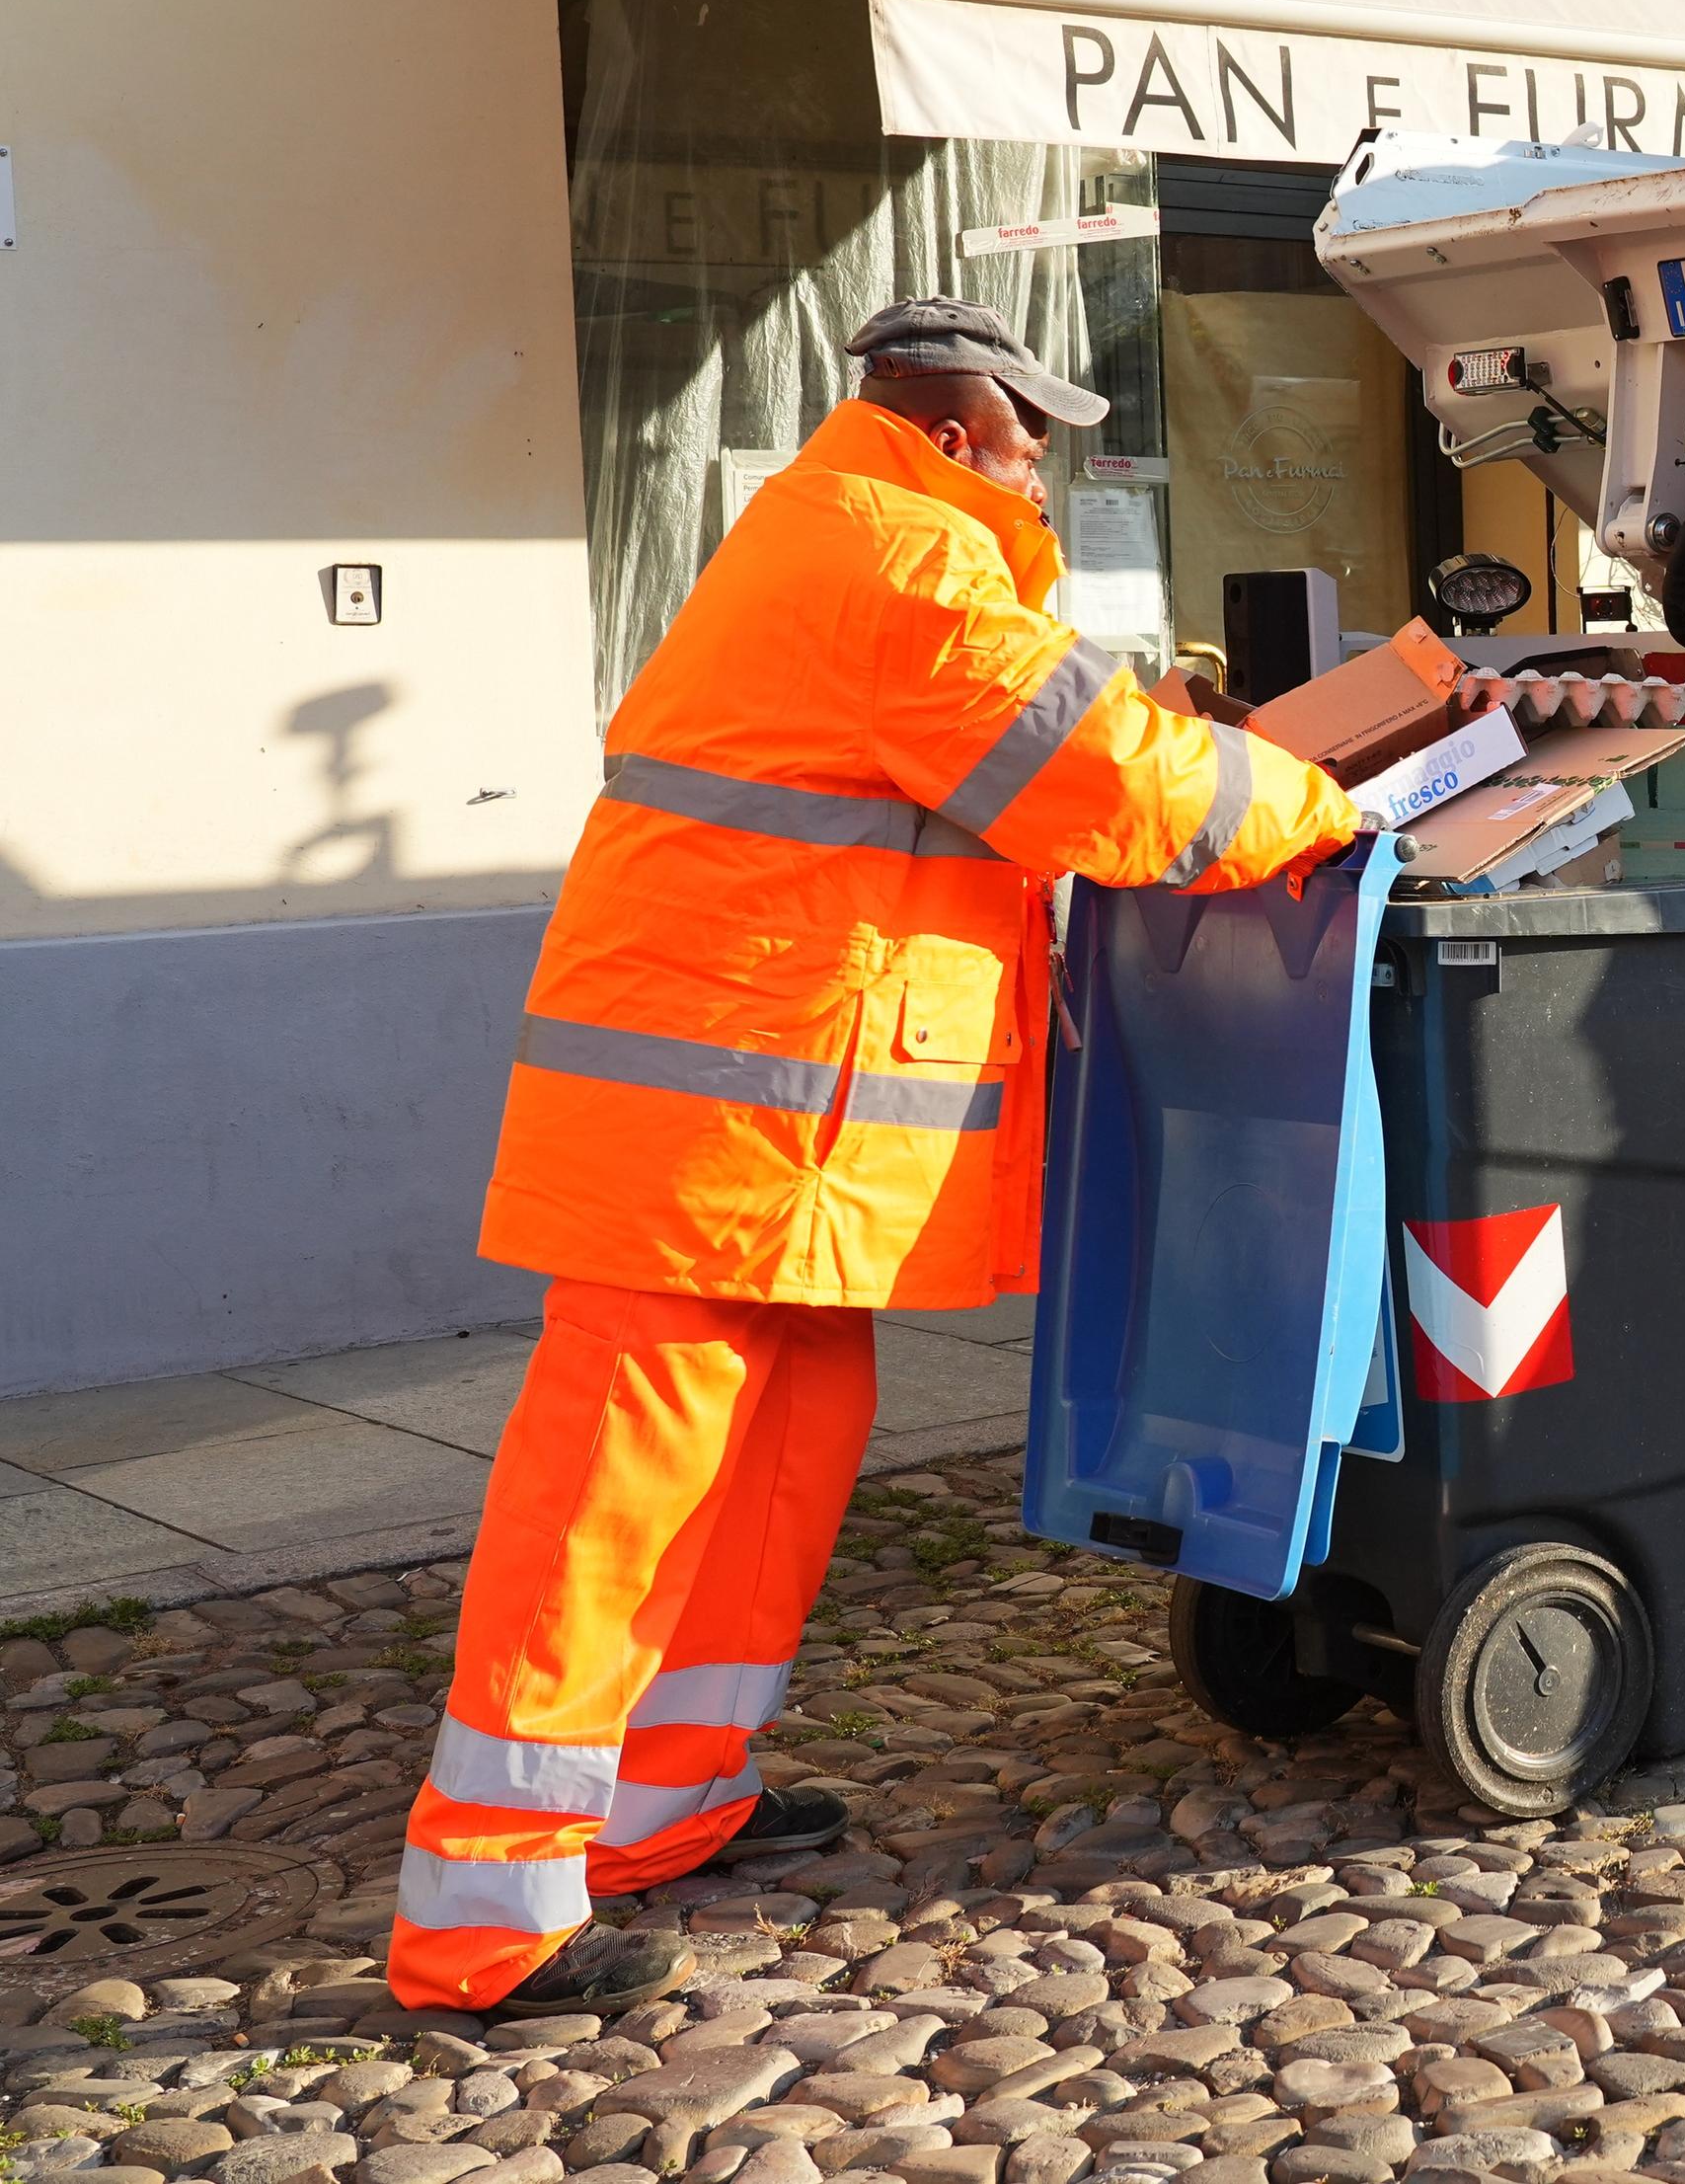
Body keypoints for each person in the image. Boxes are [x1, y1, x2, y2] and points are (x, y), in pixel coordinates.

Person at [388, 300, 1360, 2015]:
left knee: (785, 1434)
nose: (1046, 458)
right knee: (616, 1494)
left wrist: (1178, 721)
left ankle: (667, 1806)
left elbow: (1017, 737)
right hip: (716, 1118)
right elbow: (1101, 783)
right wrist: (1315, 797)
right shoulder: (900, 556)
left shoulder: (863, 537)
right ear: (967, 417)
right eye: (1034, 428)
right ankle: (482, 1921)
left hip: (761, 1113)